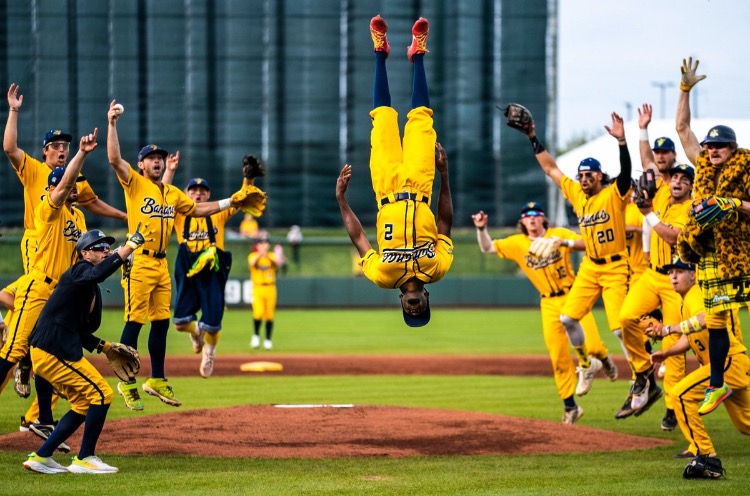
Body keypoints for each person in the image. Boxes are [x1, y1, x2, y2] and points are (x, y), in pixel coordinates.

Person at [106, 100, 244, 410]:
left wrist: (229, 201)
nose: (156, 162)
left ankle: (157, 378)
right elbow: (114, 158)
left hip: (161, 263)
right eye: (150, 158)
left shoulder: (171, 192)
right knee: (134, 321)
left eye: (159, 158)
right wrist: (112, 124)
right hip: (138, 259)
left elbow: (196, 209)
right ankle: (127, 382)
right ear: (141, 165)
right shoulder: (135, 183)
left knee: (162, 322)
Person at [4, 83, 126, 401]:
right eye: (56, 145)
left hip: (60, 262)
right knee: (28, 312)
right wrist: (14, 110)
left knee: (51, 324)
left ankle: (40, 413)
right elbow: (9, 148)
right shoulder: (37, 172)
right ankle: (23, 352)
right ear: (45, 150)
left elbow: (92, 202)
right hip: (38, 241)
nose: (61, 149)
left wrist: (126, 219)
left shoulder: (77, 208)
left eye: (65, 146)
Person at [336, 15, 453, 327]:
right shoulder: (437, 269)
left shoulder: (383, 277)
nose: (414, 310)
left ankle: (379, 50)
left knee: (384, 119)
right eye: (421, 311)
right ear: (427, 300)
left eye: (410, 313)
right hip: (420, 187)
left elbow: (359, 236)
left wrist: (341, 200)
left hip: (386, 188)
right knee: (421, 119)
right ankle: (417, 54)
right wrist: (445, 175)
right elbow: (444, 222)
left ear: (401, 302)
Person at [510, 109, 631, 395]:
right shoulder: (576, 193)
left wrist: (622, 142)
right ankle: (587, 364)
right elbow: (551, 169)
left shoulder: (613, 194)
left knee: (618, 329)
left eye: (589, 174)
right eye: (582, 174)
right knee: (567, 319)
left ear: (600, 175)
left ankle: (641, 374)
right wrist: (532, 138)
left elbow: (625, 174)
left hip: (616, 266)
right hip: (591, 265)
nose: (584, 177)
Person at [472, 202, 616, 424]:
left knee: (595, 345)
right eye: (527, 216)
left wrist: (564, 242)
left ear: (543, 219)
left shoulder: (558, 234)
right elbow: (488, 248)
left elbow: (587, 243)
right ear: (522, 222)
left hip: (573, 295)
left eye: (536, 215)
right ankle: (571, 407)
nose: (531, 219)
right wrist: (481, 229)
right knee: (558, 356)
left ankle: (604, 361)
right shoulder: (517, 243)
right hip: (548, 303)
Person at [0, 129, 98, 454]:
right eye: (67, 185)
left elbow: (86, 256)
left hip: (59, 295)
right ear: (55, 186)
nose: (73, 189)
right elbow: (62, 187)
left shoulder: (79, 216)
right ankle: (27, 374)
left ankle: (42, 417)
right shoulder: (47, 206)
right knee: (12, 352)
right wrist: (81, 154)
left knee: (46, 352)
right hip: (37, 287)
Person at [22, 227, 148, 474]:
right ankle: (85, 458)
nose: (105, 251)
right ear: (84, 253)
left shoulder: (85, 285)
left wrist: (104, 346)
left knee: (82, 402)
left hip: (52, 348)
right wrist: (128, 247)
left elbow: (76, 328)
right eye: (100, 247)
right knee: (102, 394)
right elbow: (98, 274)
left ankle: (42, 456)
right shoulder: (79, 271)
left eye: (107, 247)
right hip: (52, 349)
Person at [675, 57, 750, 415]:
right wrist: (685, 90)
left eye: (720, 145)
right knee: (717, 320)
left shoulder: (747, 166)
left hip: (743, 251)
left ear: (733, 148)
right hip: (711, 253)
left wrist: (732, 202)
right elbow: (682, 128)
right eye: (710, 145)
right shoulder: (702, 163)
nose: (712, 149)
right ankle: (717, 385)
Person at [648, 255, 749, 476]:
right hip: (734, 361)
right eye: (670, 272)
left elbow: (704, 318)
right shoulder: (685, 300)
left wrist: (668, 329)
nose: (673, 276)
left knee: (680, 395)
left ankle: (707, 457)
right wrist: (666, 353)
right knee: (746, 423)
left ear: (693, 275)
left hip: (726, 363)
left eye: (680, 271)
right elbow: (689, 336)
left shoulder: (695, 294)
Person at [617, 161, 693, 424]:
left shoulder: (691, 208)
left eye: (685, 178)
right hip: (652, 273)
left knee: (674, 348)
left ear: (692, 186)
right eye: (675, 176)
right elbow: (649, 161)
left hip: (677, 282)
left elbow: (673, 237)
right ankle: (643, 372)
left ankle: (673, 406)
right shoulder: (662, 199)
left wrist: (648, 214)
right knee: (626, 318)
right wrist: (639, 131)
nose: (678, 181)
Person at [248, 236, 279, 350]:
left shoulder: (271, 256)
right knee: (258, 313)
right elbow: (252, 263)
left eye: (265, 243)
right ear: (258, 245)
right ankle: (256, 336)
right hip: (258, 288)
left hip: (270, 287)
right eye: (261, 243)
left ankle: (268, 340)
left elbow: (276, 263)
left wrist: (267, 255)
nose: (264, 245)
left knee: (270, 315)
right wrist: (260, 254)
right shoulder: (253, 256)